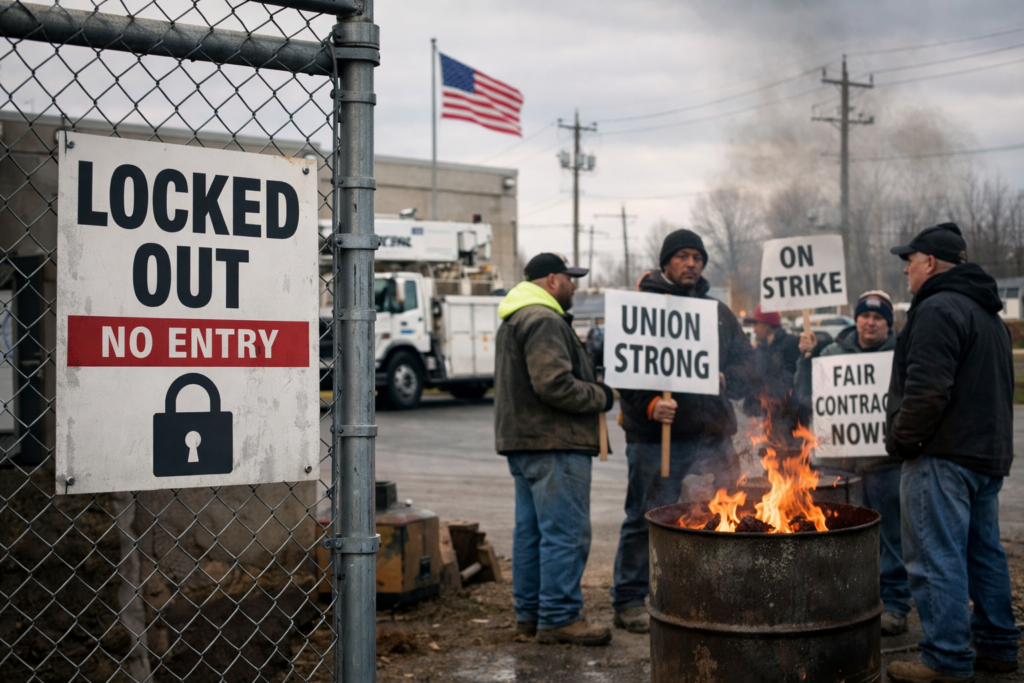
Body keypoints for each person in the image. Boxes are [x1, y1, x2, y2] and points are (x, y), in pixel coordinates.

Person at [883, 223, 1020, 683]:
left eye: (910, 259)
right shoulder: (988, 314)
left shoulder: (939, 307)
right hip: (985, 456)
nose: (905, 268)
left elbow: (927, 391)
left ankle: (945, 659)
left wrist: (904, 442)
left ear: (931, 263)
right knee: (984, 554)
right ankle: (999, 646)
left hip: (942, 456)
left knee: (933, 556)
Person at [612, 229, 753, 634]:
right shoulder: (644, 309)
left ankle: (721, 591)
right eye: (682, 256)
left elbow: (747, 364)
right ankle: (628, 599)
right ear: (666, 263)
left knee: (731, 513)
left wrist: (730, 377)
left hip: (713, 435)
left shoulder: (718, 313)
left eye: (697, 257)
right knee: (646, 518)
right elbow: (625, 367)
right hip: (657, 438)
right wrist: (651, 403)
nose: (692, 263)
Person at [494, 252, 616, 646]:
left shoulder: (517, 317)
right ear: (551, 280)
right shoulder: (544, 320)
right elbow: (554, 385)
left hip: (526, 442)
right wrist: (601, 396)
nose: (574, 286)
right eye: (570, 278)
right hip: (555, 443)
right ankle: (560, 617)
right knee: (565, 533)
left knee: (531, 535)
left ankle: (530, 616)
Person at [793, 290, 911, 636]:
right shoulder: (831, 353)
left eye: (878, 317)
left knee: (892, 539)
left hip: (886, 463)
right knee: (840, 538)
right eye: (864, 315)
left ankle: (896, 605)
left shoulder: (899, 354)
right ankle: (844, 603)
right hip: (841, 467)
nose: (870, 322)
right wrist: (805, 359)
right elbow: (803, 397)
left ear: (888, 323)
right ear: (856, 318)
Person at [744, 304, 806, 444]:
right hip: (770, 420)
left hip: (794, 420)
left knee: (795, 462)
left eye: (756, 323)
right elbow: (756, 380)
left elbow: (800, 378)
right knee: (771, 459)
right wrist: (750, 404)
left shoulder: (792, 344)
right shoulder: (759, 351)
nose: (753, 328)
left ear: (767, 324)